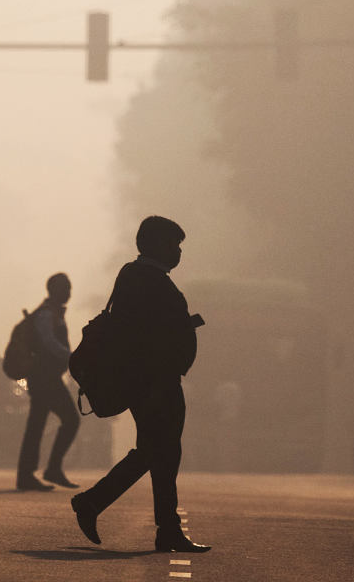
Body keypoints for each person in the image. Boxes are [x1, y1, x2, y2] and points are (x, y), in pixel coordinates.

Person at [70, 215, 210, 553]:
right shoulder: (149, 281)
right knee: (158, 451)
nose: (178, 252)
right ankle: (95, 502)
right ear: (158, 244)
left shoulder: (134, 276)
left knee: (161, 452)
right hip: (155, 383)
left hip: (150, 381)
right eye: (175, 245)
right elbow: (148, 338)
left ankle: (166, 529)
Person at [16, 272, 80, 491]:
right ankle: (49, 469)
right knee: (70, 420)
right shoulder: (46, 315)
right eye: (65, 289)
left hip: (45, 377)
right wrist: (72, 357)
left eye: (69, 289)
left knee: (37, 424)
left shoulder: (52, 313)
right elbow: (48, 343)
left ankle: (28, 474)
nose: (68, 294)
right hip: (44, 378)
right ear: (53, 290)